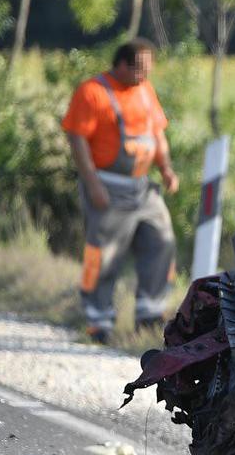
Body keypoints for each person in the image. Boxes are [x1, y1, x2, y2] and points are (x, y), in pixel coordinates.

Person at [61, 38, 179, 343]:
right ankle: (98, 323)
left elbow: (157, 134)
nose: (145, 75)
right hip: (108, 187)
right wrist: (93, 184)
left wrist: (166, 169)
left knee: (161, 241)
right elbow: (77, 140)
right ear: (121, 64)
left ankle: (149, 315)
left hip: (142, 188)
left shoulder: (146, 91)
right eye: (139, 69)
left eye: (148, 69)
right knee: (104, 256)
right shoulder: (92, 92)